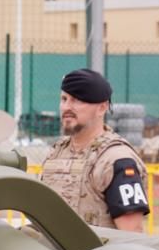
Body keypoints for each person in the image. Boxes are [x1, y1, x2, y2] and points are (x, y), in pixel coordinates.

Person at [38, 68, 151, 232]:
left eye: (77, 100)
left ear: (102, 108)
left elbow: (132, 233)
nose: (66, 107)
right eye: (64, 99)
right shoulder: (58, 152)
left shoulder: (116, 160)